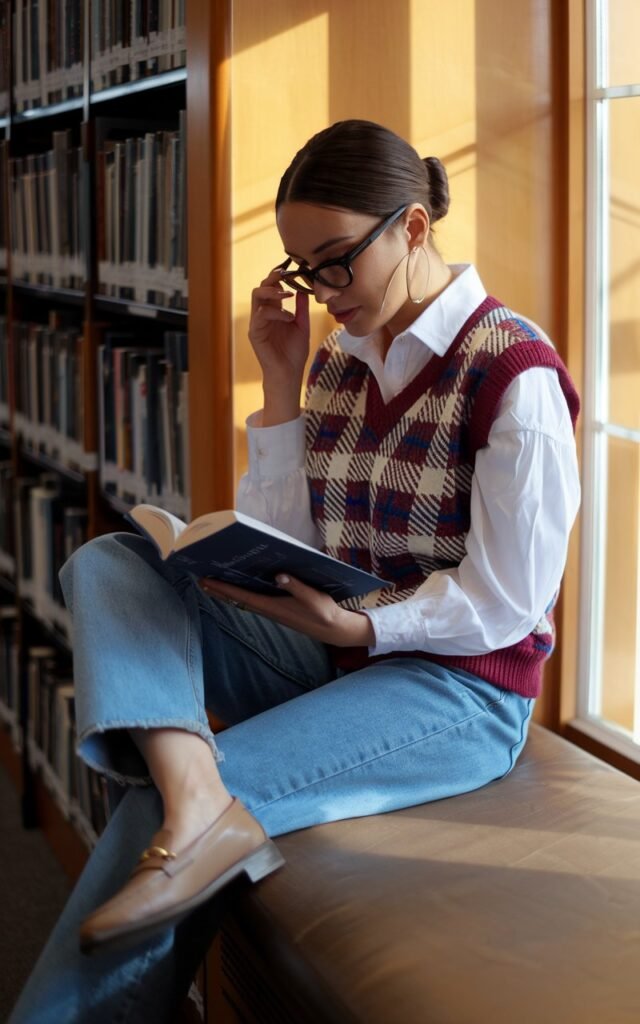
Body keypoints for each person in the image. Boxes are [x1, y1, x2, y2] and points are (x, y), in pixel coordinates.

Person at [10, 119, 580, 1022]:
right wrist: (280, 386)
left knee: (152, 817)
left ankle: (181, 823)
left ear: (415, 228)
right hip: (328, 647)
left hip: (456, 692)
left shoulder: (515, 377)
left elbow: (509, 605)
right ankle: (200, 790)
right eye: (300, 269)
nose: (321, 291)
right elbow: (291, 542)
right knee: (111, 561)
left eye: (335, 261)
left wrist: (365, 627)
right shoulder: (339, 361)